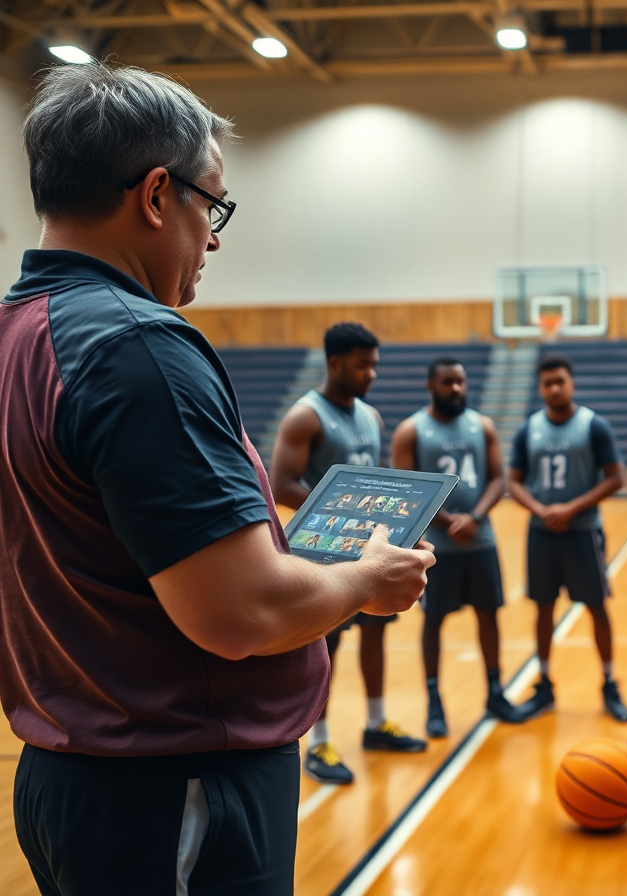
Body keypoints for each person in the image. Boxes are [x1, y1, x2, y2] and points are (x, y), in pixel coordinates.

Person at [1, 63, 434, 896]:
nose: (215, 236)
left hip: (73, 773)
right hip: (175, 786)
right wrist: (364, 581)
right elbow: (241, 613)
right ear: (158, 195)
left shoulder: (16, 334)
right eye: (214, 204)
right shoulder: (137, 346)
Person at [271, 322, 426, 786]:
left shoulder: (370, 417)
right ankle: (318, 743)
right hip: (325, 555)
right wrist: (344, 513)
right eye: (363, 365)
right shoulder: (306, 417)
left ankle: (376, 723)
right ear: (335, 363)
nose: (371, 374)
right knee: (326, 646)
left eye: (374, 365)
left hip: (369, 552)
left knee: (376, 633)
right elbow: (281, 484)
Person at [391, 358, 525, 737]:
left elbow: (497, 479)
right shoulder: (411, 430)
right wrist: (448, 521)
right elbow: (408, 488)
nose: (457, 389)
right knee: (433, 621)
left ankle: (496, 692)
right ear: (431, 385)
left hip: (480, 540)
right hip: (439, 547)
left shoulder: (482, 425)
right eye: (449, 383)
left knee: (489, 614)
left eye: (461, 382)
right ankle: (434, 701)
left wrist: (476, 517)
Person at [508, 356, 627, 721]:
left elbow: (615, 478)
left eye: (560, 381)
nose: (555, 388)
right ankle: (544, 684)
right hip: (542, 533)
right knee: (543, 607)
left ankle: (609, 683)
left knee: (596, 606)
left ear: (571, 383)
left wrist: (571, 508)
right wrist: (539, 509)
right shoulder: (528, 429)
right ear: (540, 387)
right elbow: (513, 480)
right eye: (548, 383)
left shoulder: (594, 426)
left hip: (582, 532)